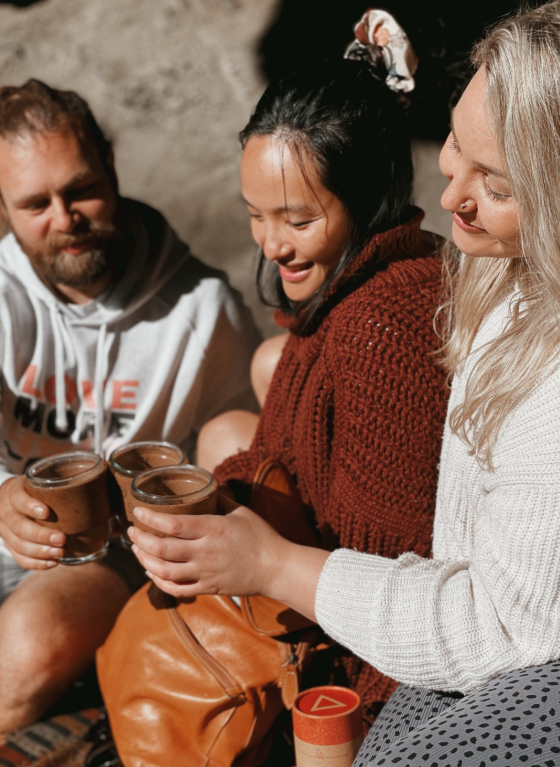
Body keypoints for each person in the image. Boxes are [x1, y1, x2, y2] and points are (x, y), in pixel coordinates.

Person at [129, 3, 560, 767]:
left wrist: (269, 564)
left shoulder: (386, 327)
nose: (451, 197)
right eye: (453, 147)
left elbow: (453, 586)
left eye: (494, 183)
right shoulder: (493, 278)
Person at [0, 79, 260, 739]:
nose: (64, 218)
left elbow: (237, 452)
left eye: (81, 190)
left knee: (31, 638)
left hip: (109, 546)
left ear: (111, 167)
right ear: (0, 205)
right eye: (34, 203)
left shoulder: (201, 310)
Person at [139, 13, 450, 730]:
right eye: (256, 215)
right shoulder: (378, 275)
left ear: (366, 196)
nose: (271, 244)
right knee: (234, 417)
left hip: (377, 641)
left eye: (298, 220)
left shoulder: (381, 326)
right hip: (328, 569)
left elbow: (389, 561)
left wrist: (353, 722)